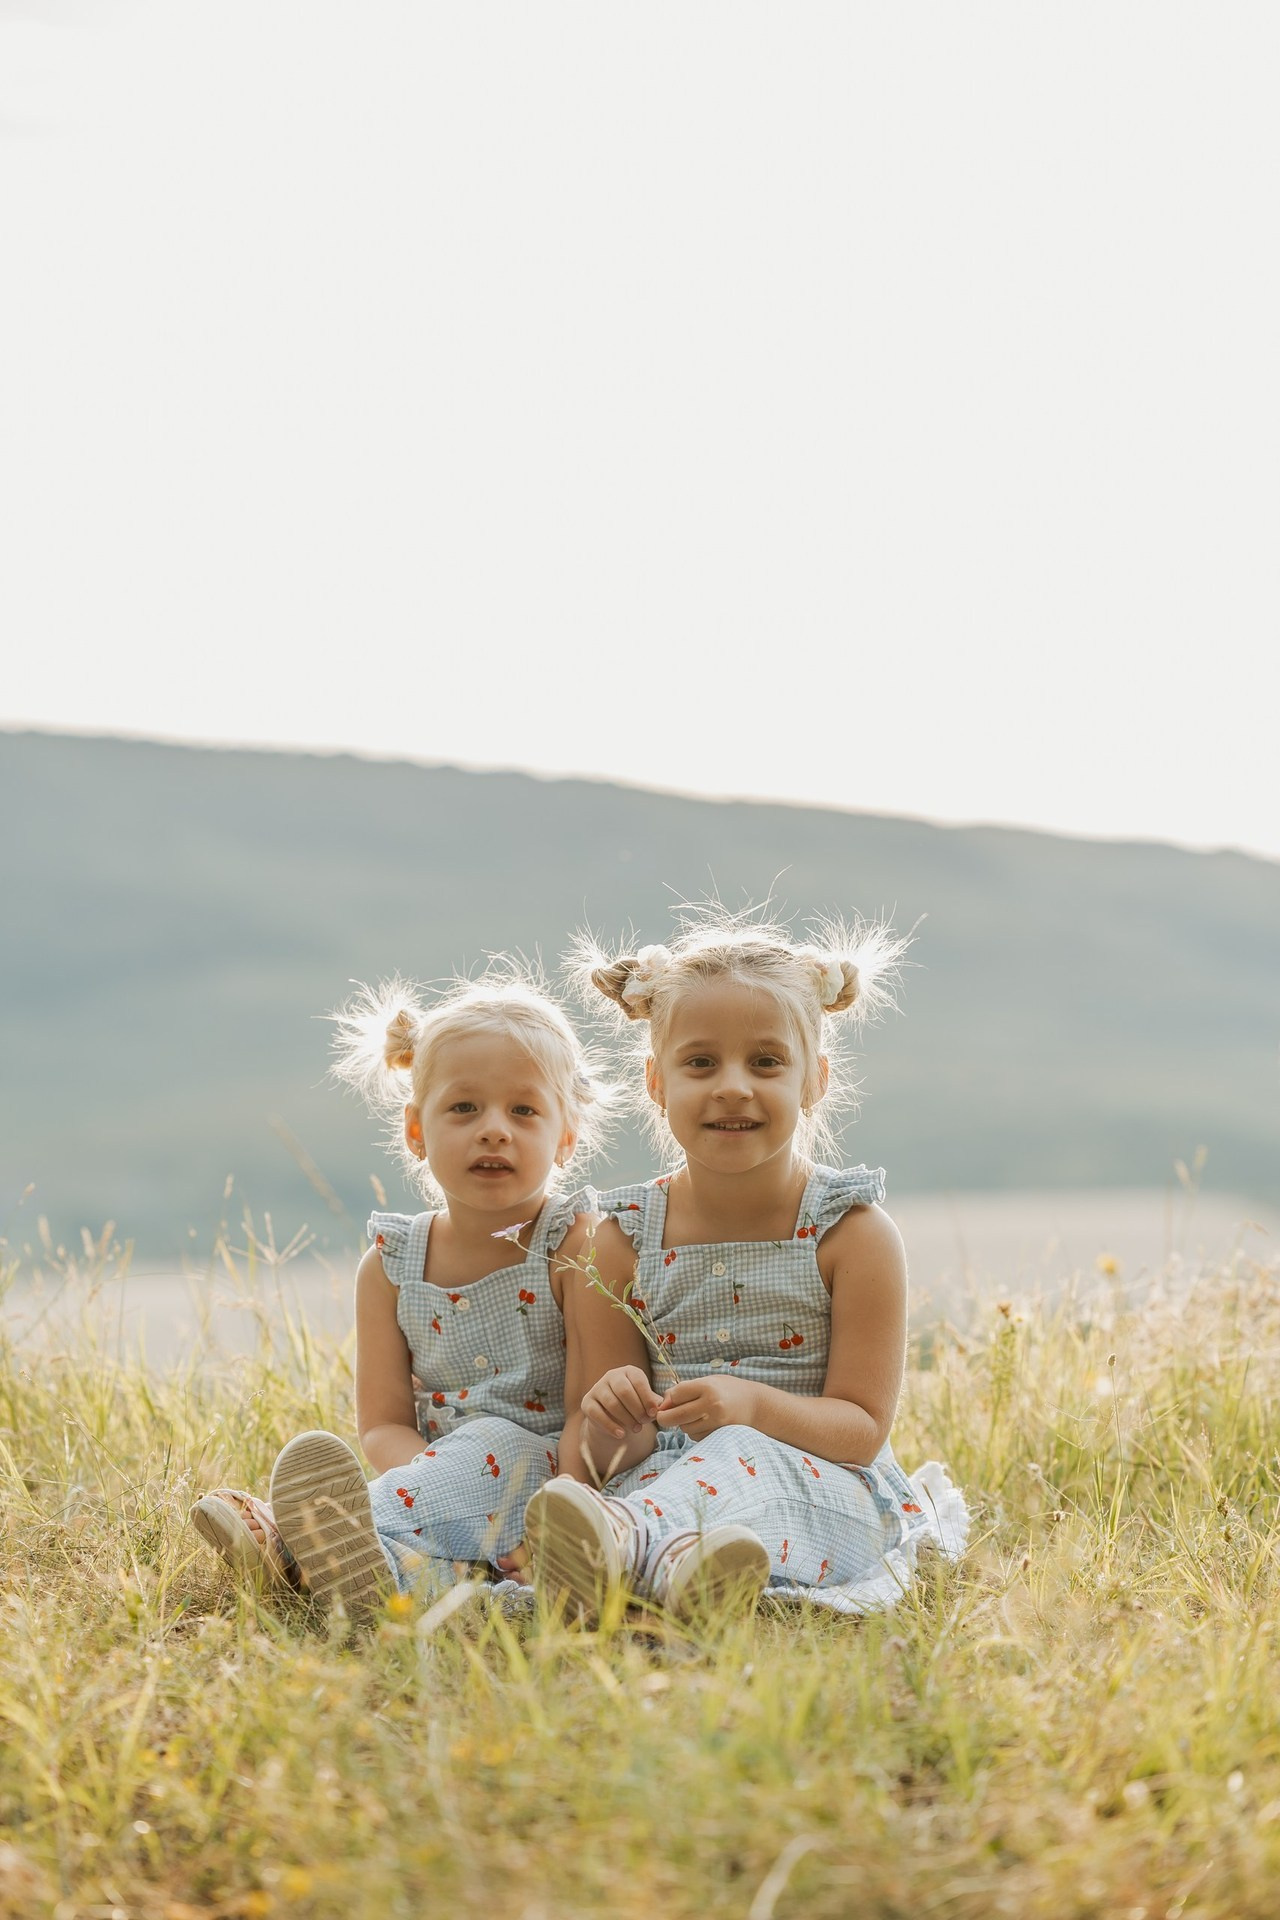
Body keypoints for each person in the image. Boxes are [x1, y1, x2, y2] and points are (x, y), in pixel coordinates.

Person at [524, 915, 969, 1625]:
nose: (732, 1087)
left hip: (824, 1495)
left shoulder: (850, 1233)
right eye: (700, 1063)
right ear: (655, 1083)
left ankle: (627, 1552)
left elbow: (861, 1429)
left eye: (765, 1063)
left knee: (736, 1453)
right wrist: (614, 1417)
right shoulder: (620, 1239)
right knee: (665, 1481)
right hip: (659, 1482)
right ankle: (663, 1569)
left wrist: (753, 1408)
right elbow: (604, 1445)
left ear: (813, 1080)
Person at [191, 969, 607, 1617]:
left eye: (523, 1110)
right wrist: (431, 1479)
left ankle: (290, 1541)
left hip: (552, 1474)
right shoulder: (391, 1266)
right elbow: (383, 1424)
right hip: (437, 1482)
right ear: (417, 1130)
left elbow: (590, 1407)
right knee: (430, 1532)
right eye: (463, 1108)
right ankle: (429, 1595)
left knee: (492, 1443)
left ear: (566, 1136)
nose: (494, 1129)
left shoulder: (574, 1246)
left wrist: (560, 1511)